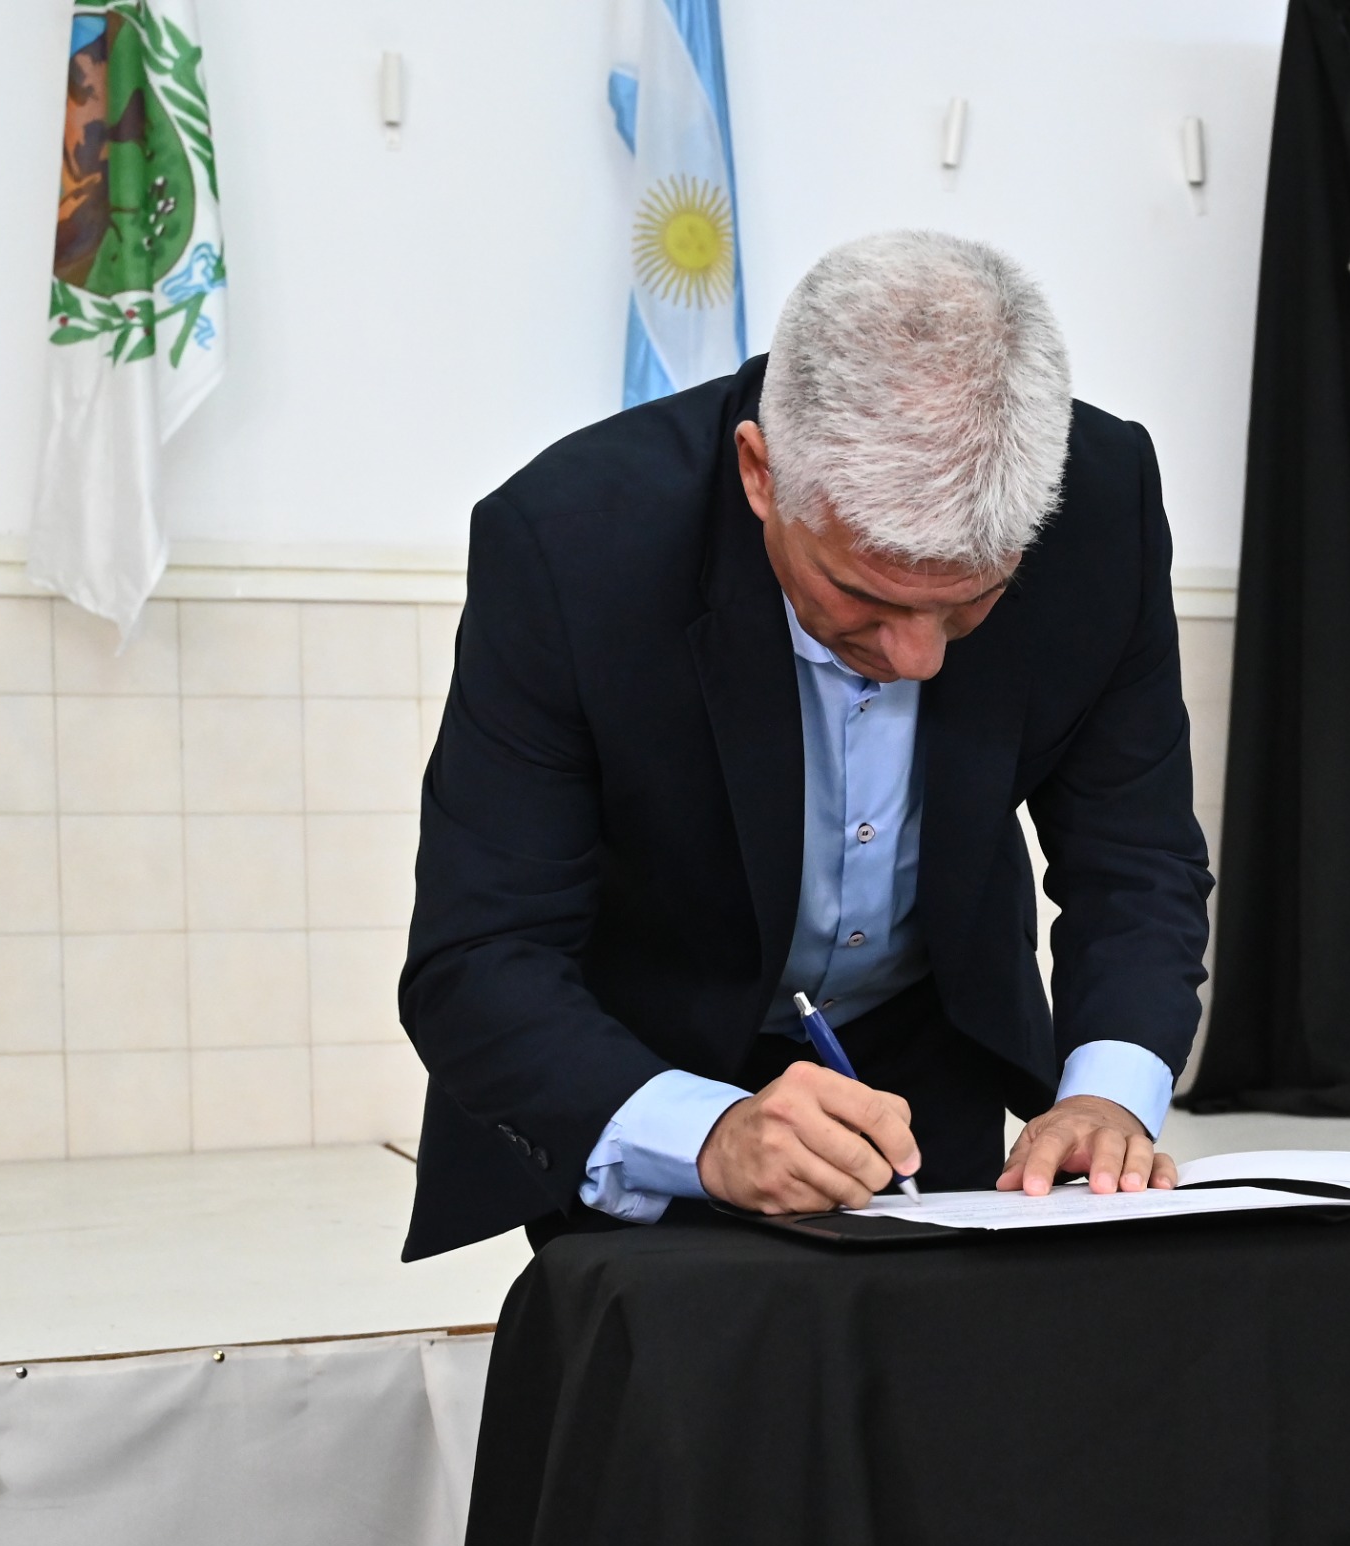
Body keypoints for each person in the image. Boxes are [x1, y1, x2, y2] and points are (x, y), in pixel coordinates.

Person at [398, 231, 1213, 1258]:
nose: (916, 658)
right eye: (862, 597)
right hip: (648, 1070)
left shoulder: (1099, 503)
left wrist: (1107, 1097)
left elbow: (1135, 859)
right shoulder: (570, 543)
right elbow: (481, 951)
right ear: (759, 472)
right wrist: (708, 1133)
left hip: (929, 1063)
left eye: (967, 605)